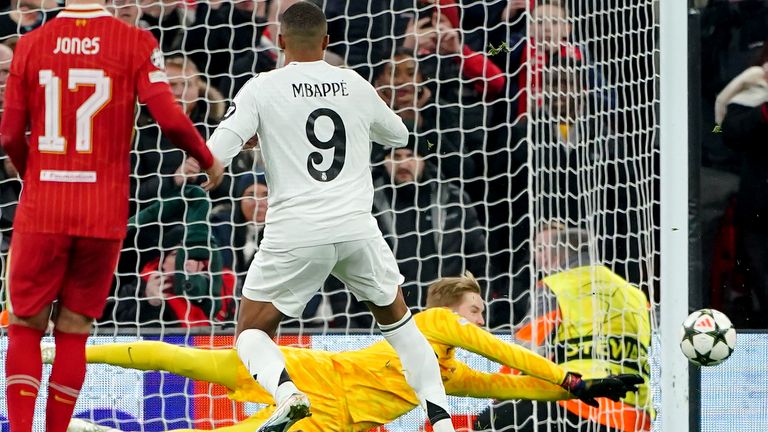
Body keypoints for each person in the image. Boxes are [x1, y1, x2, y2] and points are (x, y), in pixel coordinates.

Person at [206, 2, 460, 431]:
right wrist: (359, 122)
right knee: (402, 328)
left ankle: (287, 393)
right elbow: (399, 133)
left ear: (281, 41)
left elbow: (217, 152)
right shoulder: (353, 83)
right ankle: (441, 419)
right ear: (326, 42)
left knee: (251, 330)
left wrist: (254, 142)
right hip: (357, 229)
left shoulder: (261, 87)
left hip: (296, 232)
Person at [0, 1, 224, 430]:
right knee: (73, 327)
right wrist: (207, 158)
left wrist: (36, 173)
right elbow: (171, 120)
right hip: (102, 211)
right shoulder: (135, 41)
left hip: (43, 205)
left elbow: (10, 133)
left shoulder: (29, 45)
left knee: (26, 325)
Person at [54, 272, 643, 432]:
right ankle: (67, 353)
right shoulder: (435, 322)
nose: (479, 317)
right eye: (475, 308)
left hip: (325, 418)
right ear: (449, 308)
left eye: (481, 309)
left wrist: (575, 391)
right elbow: (506, 355)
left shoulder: (446, 376)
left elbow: (507, 383)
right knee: (174, 357)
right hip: (303, 371)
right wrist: (567, 377)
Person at [474, 222, 652, 432]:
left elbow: (524, 354)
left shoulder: (557, 286)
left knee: (489, 422)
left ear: (558, 254)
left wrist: (498, 398)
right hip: (635, 416)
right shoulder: (635, 295)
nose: (541, 258)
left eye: (544, 251)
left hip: (578, 405)